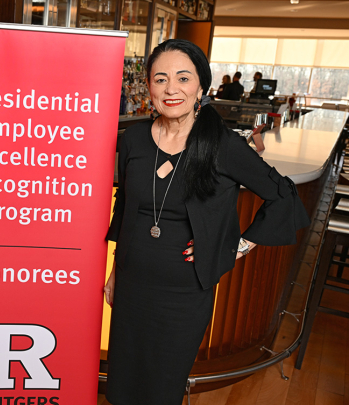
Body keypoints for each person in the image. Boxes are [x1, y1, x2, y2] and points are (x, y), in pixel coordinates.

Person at [103, 39, 309, 405]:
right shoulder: (133, 139)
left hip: (184, 292)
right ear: (148, 85)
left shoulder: (221, 145)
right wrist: (116, 273)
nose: (171, 89)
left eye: (183, 78)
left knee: (161, 387)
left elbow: (283, 197)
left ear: (201, 85)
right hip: (134, 283)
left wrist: (231, 247)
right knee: (122, 383)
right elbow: (127, 210)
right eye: (160, 78)